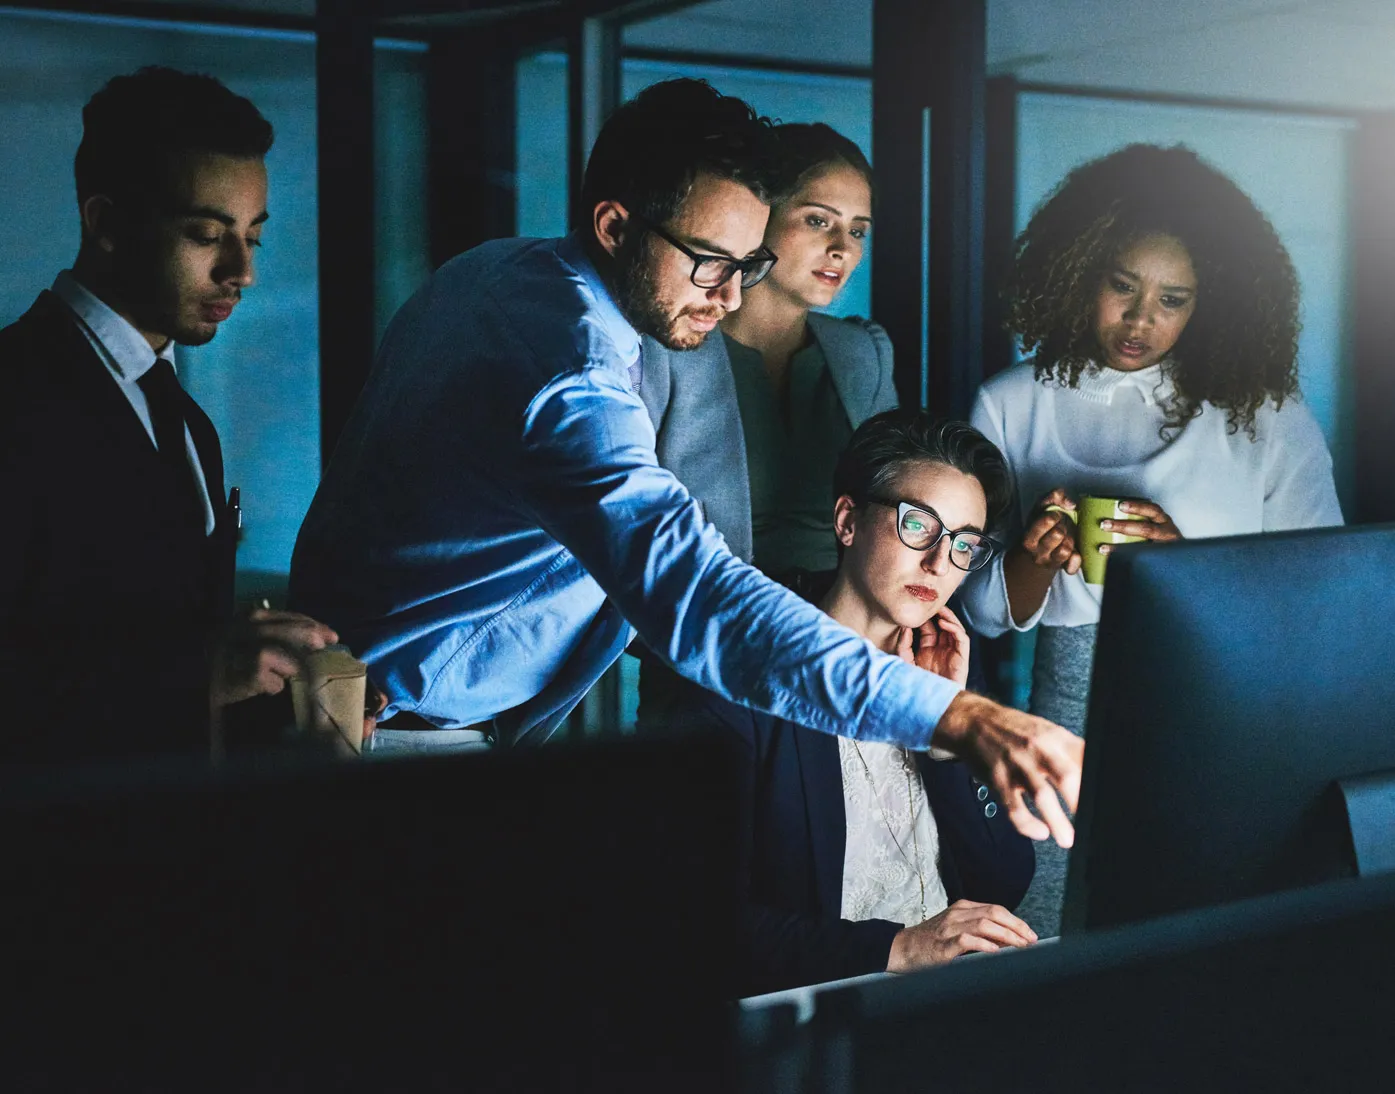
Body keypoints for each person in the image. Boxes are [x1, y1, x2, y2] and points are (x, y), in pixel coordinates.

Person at [289, 79, 1081, 847]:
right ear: (612, 225)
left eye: (748, 265)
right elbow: (692, 589)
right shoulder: (573, 379)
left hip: (359, 703)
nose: (730, 297)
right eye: (708, 261)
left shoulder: (495, 269)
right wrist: (959, 716)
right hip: (403, 745)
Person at [958, 143, 1344, 933]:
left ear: (1215, 302)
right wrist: (1031, 560)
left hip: (1217, 698)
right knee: (1045, 926)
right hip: (1066, 697)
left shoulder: (1264, 416)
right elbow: (984, 612)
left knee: (1199, 931)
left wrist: (1182, 572)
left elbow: (1322, 600)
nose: (1141, 320)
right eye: (1121, 286)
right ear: (1076, 272)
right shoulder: (1009, 403)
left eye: (1173, 299)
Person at [0, 67, 345, 766]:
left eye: (253, 235)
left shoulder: (186, 420)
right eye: (204, 232)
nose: (240, 271)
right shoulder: (15, 393)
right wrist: (201, 672)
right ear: (106, 223)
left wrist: (282, 682)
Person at [677, 411, 1036, 994]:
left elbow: (1007, 881)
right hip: (813, 1024)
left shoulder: (946, 666)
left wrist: (944, 730)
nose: (939, 562)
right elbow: (692, 920)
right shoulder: (740, 680)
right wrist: (896, 948)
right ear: (848, 521)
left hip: (948, 1008)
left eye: (964, 543)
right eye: (918, 524)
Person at [637, 121, 893, 730]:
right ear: (759, 218)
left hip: (843, 655)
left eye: (858, 231)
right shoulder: (669, 349)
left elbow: (900, 504)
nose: (843, 248)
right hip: (709, 660)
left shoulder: (864, 352)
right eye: (818, 220)